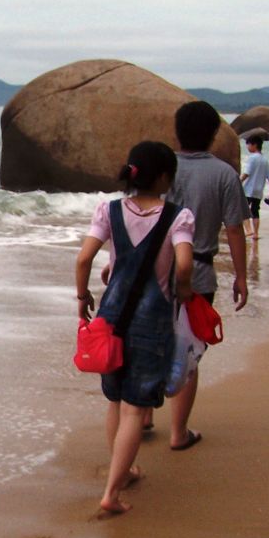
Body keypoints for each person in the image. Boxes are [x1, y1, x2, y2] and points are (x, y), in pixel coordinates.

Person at [76, 141, 195, 514]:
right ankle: (111, 493)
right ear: (163, 177)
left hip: (110, 318)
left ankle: (123, 473)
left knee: (114, 400)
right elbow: (184, 264)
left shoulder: (109, 211)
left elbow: (84, 259)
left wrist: (83, 297)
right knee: (133, 410)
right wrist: (185, 289)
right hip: (151, 324)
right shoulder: (177, 217)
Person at [165, 101, 249, 453]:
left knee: (151, 341)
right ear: (215, 134)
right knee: (189, 350)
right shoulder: (224, 175)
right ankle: (179, 432)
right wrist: (241, 278)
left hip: (153, 270)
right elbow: (234, 230)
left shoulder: (161, 166)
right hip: (198, 273)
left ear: (176, 131)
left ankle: (143, 417)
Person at [239, 135, 269, 239]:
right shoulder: (265, 160)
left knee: (243, 210)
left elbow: (247, 173)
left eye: (248, 145)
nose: (247, 147)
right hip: (259, 191)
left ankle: (248, 230)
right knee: (255, 211)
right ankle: (256, 234)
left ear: (254, 145)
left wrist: (238, 182)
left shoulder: (252, 158)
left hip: (248, 190)